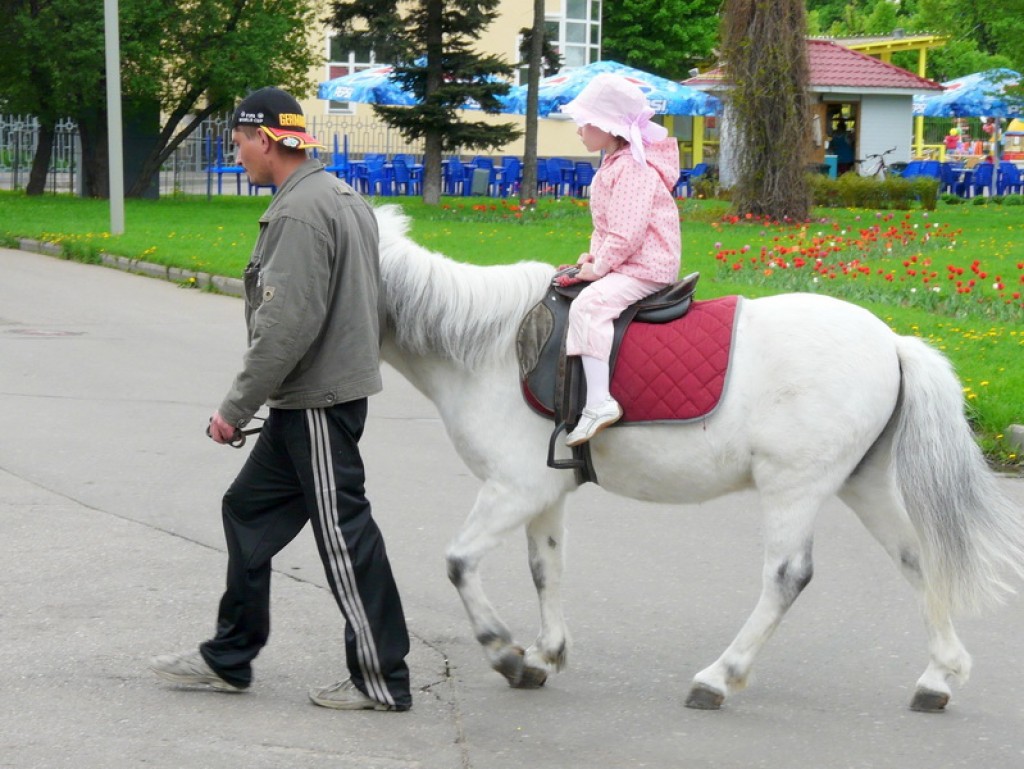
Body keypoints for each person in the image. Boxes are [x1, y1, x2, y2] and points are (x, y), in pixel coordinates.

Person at [149, 87, 412, 712]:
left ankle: (382, 679)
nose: (237, 153)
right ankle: (229, 657)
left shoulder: (298, 213)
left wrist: (234, 409)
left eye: (238, 142)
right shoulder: (343, 197)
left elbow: (285, 326)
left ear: (264, 140)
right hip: (314, 398)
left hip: (317, 401)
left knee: (345, 534)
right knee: (246, 509)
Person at [559, 74, 682, 446]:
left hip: (646, 267)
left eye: (586, 120)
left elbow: (626, 233)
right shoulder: (617, 163)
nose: (579, 128)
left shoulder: (631, 167)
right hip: (629, 262)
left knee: (589, 306)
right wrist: (593, 257)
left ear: (609, 127)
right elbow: (608, 226)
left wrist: (599, 268)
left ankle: (599, 402)